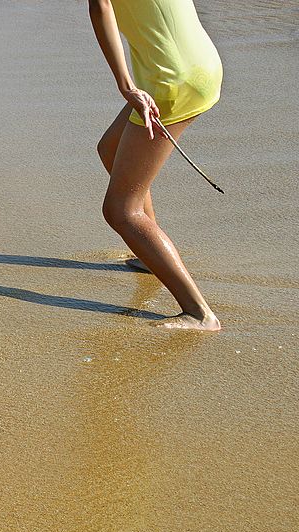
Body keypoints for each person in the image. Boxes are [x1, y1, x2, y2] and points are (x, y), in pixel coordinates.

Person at [89, 0, 222, 331]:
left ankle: (198, 313)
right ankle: (150, 257)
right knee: (111, 148)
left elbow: (100, 6)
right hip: (200, 64)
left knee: (120, 210)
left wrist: (125, 85)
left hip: (169, 82)